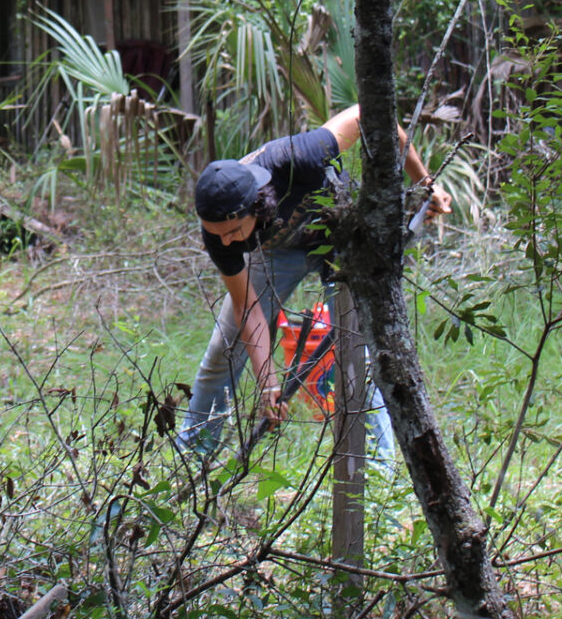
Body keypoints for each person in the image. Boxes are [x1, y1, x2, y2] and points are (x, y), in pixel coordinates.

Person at [176, 104, 451, 452]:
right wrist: (268, 384)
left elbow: (367, 113)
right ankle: (192, 457)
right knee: (224, 351)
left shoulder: (297, 156)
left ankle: (378, 469)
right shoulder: (219, 232)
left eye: (232, 231)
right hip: (278, 252)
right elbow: (247, 307)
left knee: (356, 354)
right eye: (219, 235)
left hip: (340, 236)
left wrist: (425, 183)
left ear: (256, 205)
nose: (227, 242)